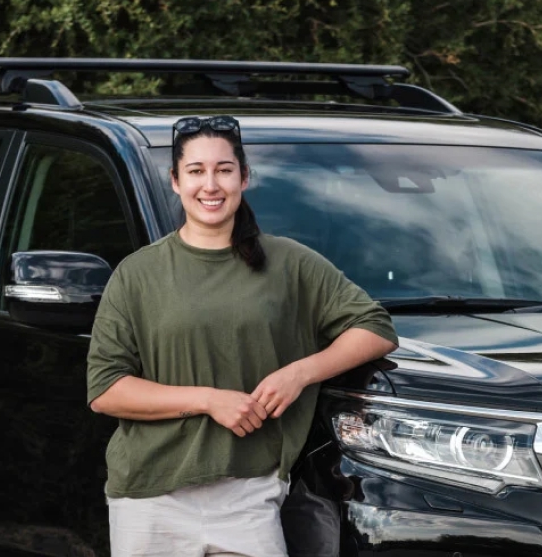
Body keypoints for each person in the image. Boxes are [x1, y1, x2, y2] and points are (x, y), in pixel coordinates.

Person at [85, 115, 398, 557]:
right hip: (149, 498)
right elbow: (106, 390)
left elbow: (375, 327)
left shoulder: (290, 264)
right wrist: (210, 400)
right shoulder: (137, 274)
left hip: (249, 495)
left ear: (244, 177)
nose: (210, 185)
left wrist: (299, 373)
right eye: (196, 171)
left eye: (224, 170)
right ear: (175, 181)